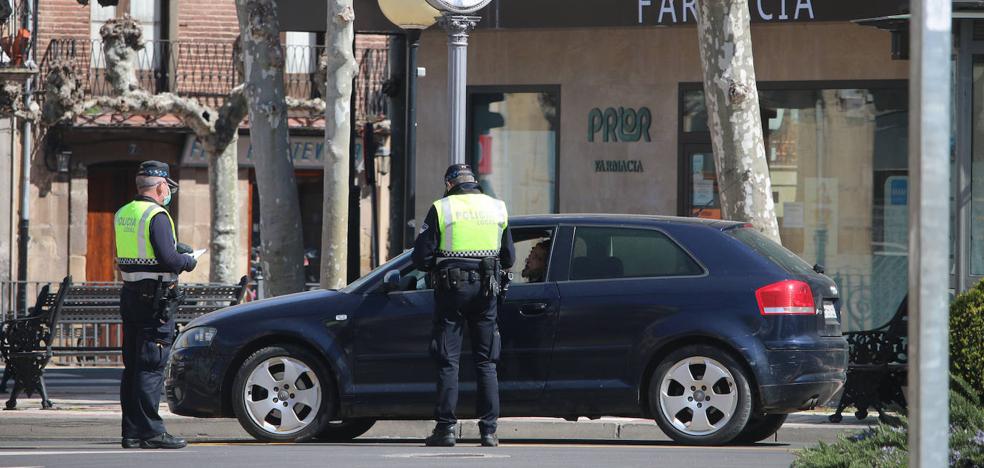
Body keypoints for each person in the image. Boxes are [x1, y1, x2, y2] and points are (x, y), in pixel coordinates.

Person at [412, 164, 515, 448]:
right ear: (474, 182)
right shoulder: (497, 208)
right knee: (486, 362)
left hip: (452, 291)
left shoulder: (443, 208)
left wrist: (441, 262)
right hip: (487, 291)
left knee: (449, 360)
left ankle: (445, 430)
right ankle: (489, 432)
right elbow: (508, 258)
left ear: (449, 185)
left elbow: (420, 258)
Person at [114, 161, 197, 449]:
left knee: (134, 366)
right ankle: (151, 432)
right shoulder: (157, 215)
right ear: (161, 186)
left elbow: (141, 252)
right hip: (156, 301)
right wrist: (188, 260)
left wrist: (174, 251)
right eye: (167, 188)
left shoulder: (124, 213)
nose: (168, 192)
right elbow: (169, 260)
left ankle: (132, 432)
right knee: (151, 366)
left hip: (131, 294)